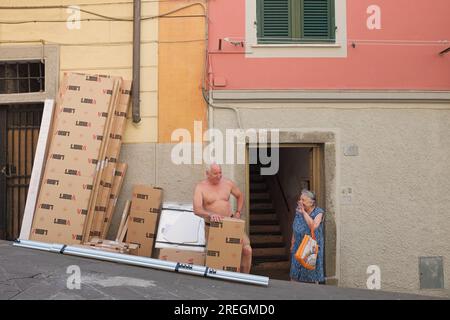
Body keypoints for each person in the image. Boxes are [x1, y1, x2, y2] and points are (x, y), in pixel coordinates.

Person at [193, 163, 252, 273]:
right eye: (215, 173)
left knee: (247, 250)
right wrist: (210, 214)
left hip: (230, 223)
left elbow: (239, 196)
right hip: (212, 226)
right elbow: (197, 209)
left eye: (220, 172)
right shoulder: (200, 187)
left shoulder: (227, 183)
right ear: (207, 174)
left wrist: (238, 212)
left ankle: (245, 278)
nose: (219, 176)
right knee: (216, 256)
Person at [290, 189, 325, 283]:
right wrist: (292, 242)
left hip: (310, 248)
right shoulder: (298, 211)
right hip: (297, 247)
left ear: (312, 202)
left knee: (311, 277)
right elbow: (295, 228)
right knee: (294, 275)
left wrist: (304, 213)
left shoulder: (318, 212)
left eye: (303, 200)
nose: (300, 202)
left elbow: (314, 226)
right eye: (300, 199)